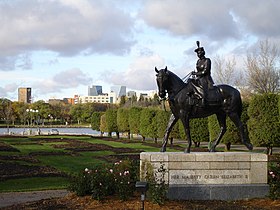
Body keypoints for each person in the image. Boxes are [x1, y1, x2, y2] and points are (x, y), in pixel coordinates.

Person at [191, 41, 214, 106]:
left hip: (206, 79)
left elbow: (205, 71)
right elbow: (198, 71)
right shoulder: (198, 61)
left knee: (202, 86)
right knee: (190, 82)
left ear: (203, 53)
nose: (198, 54)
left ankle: (204, 100)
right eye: (197, 53)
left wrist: (196, 73)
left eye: (199, 53)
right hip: (199, 78)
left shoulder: (207, 60)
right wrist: (194, 73)